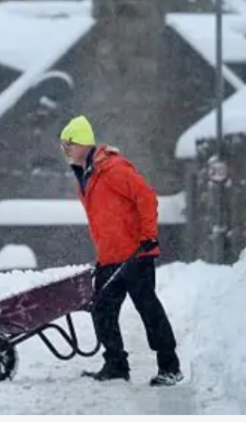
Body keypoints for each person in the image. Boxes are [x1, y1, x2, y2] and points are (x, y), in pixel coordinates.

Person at [59, 115, 184, 387]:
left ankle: (170, 367)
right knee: (102, 309)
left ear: (83, 143)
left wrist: (148, 237)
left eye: (69, 143)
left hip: (136, 254)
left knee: (148, 309)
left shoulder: (113, 169)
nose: (65, 149)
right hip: (110, 258)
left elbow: (146, 197)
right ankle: (116, 365)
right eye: (62, 145)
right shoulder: (85, 177)